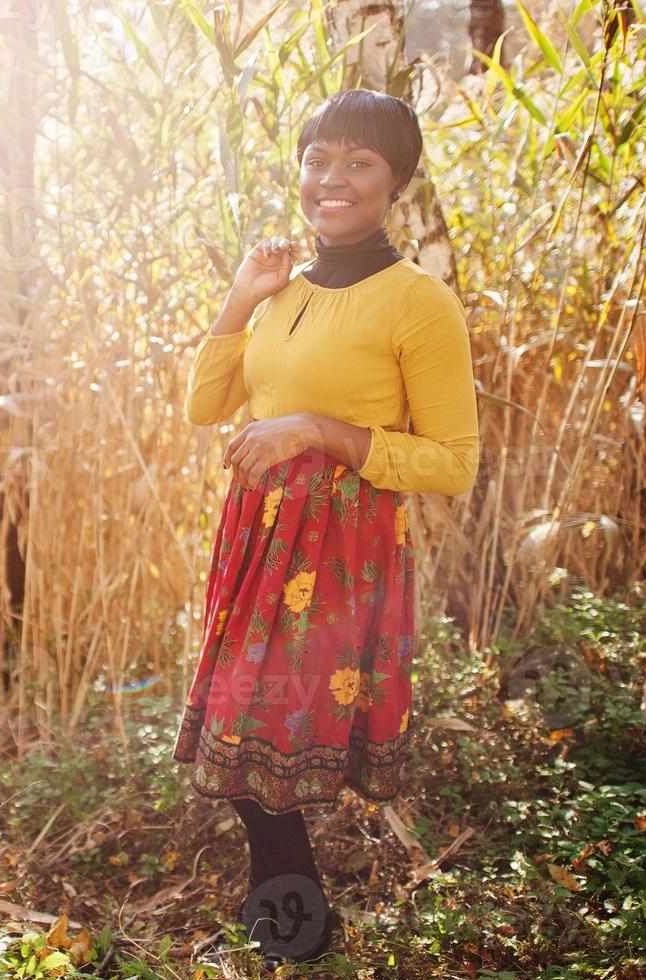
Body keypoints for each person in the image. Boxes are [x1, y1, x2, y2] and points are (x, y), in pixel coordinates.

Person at [173, 88, 480, 967]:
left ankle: (293, 928)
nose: (330, 180)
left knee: (261, 727)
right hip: (256, 534)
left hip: (339, 548)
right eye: (316, 159)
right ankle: (286, 915)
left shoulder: (417, 302)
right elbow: (206, 406)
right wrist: (240, 298)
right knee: (242, 740)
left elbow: (453, 461)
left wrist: (315, 431)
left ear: (396, 185)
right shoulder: (285, 289)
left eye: (358, 163)